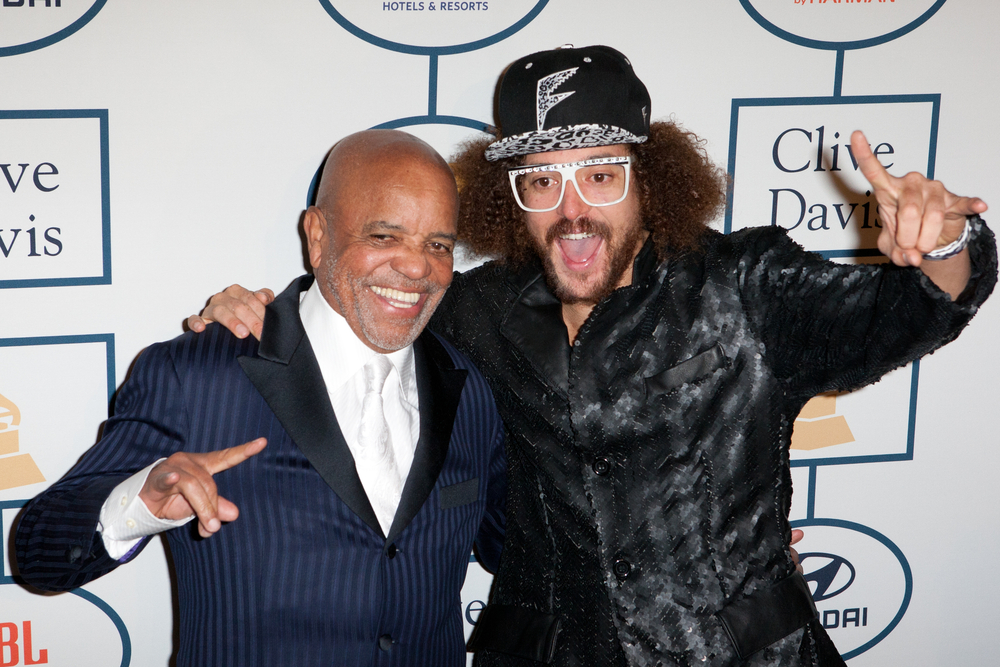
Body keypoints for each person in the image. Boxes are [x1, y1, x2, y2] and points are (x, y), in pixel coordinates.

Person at [191, 46, 997, 667]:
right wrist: (266, 313)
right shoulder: (473, 311)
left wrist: (945, 241)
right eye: (541, 181)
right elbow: (363, 315)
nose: (573, 211)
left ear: (653, 179)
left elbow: (909, 310)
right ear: (508, 194)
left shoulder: (744, 283)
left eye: (602, 176)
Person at [15, 130, 506, 667]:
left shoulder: (470, 387)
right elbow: (39, 556)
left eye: (437, 244)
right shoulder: (197, 374)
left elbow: (518, 549)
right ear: (318, 236)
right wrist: (140, 505)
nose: (417, 268)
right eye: (385, 236)